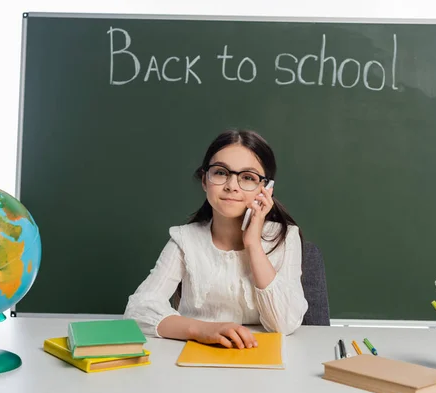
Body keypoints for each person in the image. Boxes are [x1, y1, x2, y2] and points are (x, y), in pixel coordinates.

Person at [124, 129, 308, 349]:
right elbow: (137, 311)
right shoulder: (185, 239)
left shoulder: (286, 237)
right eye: (221, 173)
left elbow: (285, 323)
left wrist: (253, 245)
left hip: (263, 362)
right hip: (195, 357)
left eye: (248, 177)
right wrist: (202, 330)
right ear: (205, 180)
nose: (231, 185)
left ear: (265, 189)